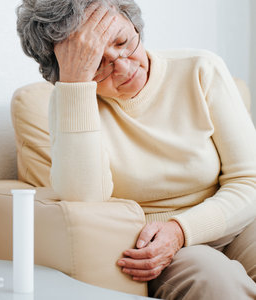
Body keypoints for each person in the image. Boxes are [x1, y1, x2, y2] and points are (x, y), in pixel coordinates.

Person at [16, 0, 256, 299]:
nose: (124, 66)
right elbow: (84, 200)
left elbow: (249, 181)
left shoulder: (200, 68)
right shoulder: (70, 102)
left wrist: (181, 229)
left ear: (135, 26)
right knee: (216, 282)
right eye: (97, 63)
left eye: (123, 42)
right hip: (152, 245)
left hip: (233, 221)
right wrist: (76, 86)